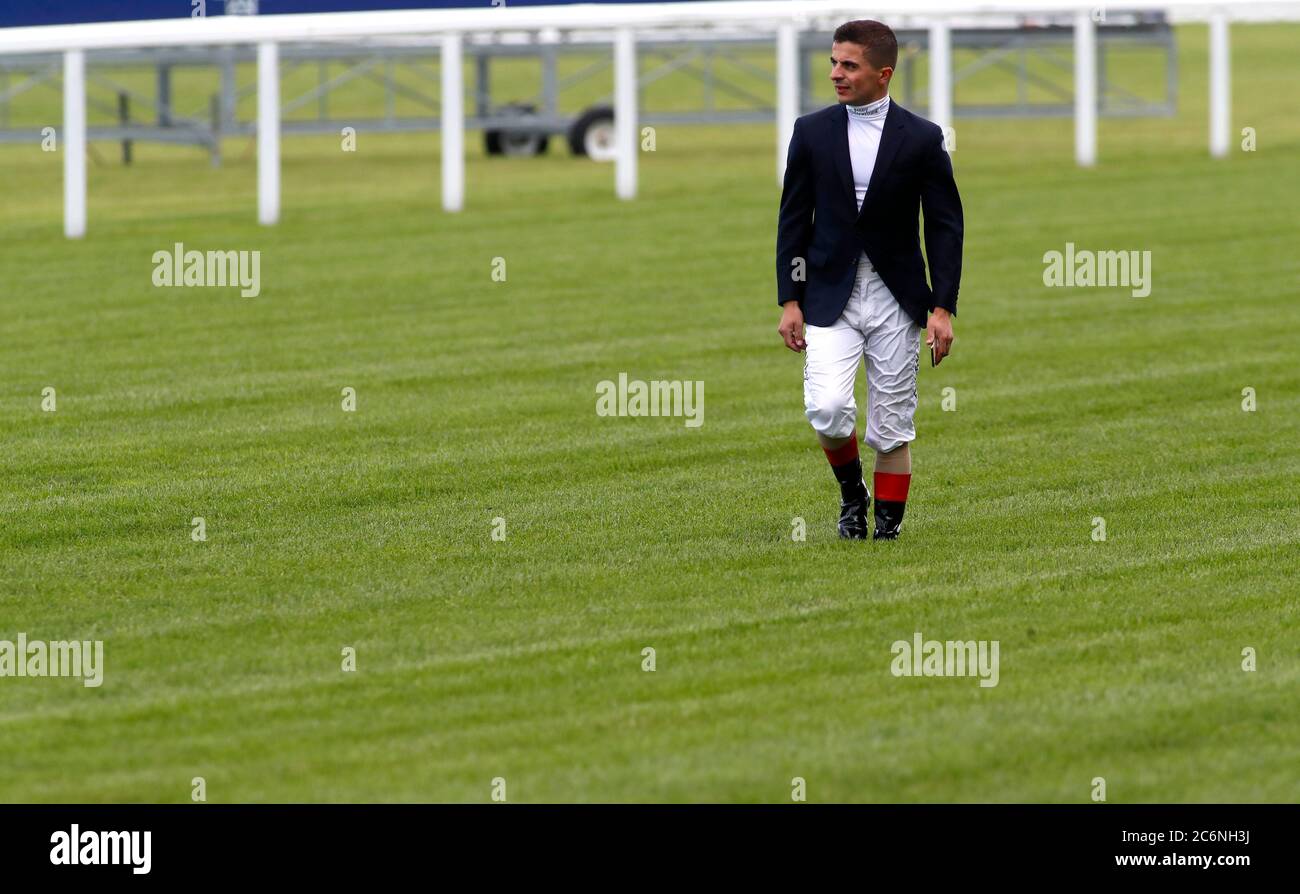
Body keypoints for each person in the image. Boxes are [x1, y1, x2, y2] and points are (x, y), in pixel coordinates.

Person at [775, 19, 964, 540]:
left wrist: (942, 308)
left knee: (891, 427)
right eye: (834, 62)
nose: (836, 73)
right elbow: (793, 220)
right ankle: (851, 493)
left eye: (848, 65)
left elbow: (945, 226)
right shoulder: (810, 132)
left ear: (884, 73)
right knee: (828, 408)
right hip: (827, 294)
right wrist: (789, 298)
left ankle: (885, 533)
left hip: (896, 297)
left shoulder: (924, 139)